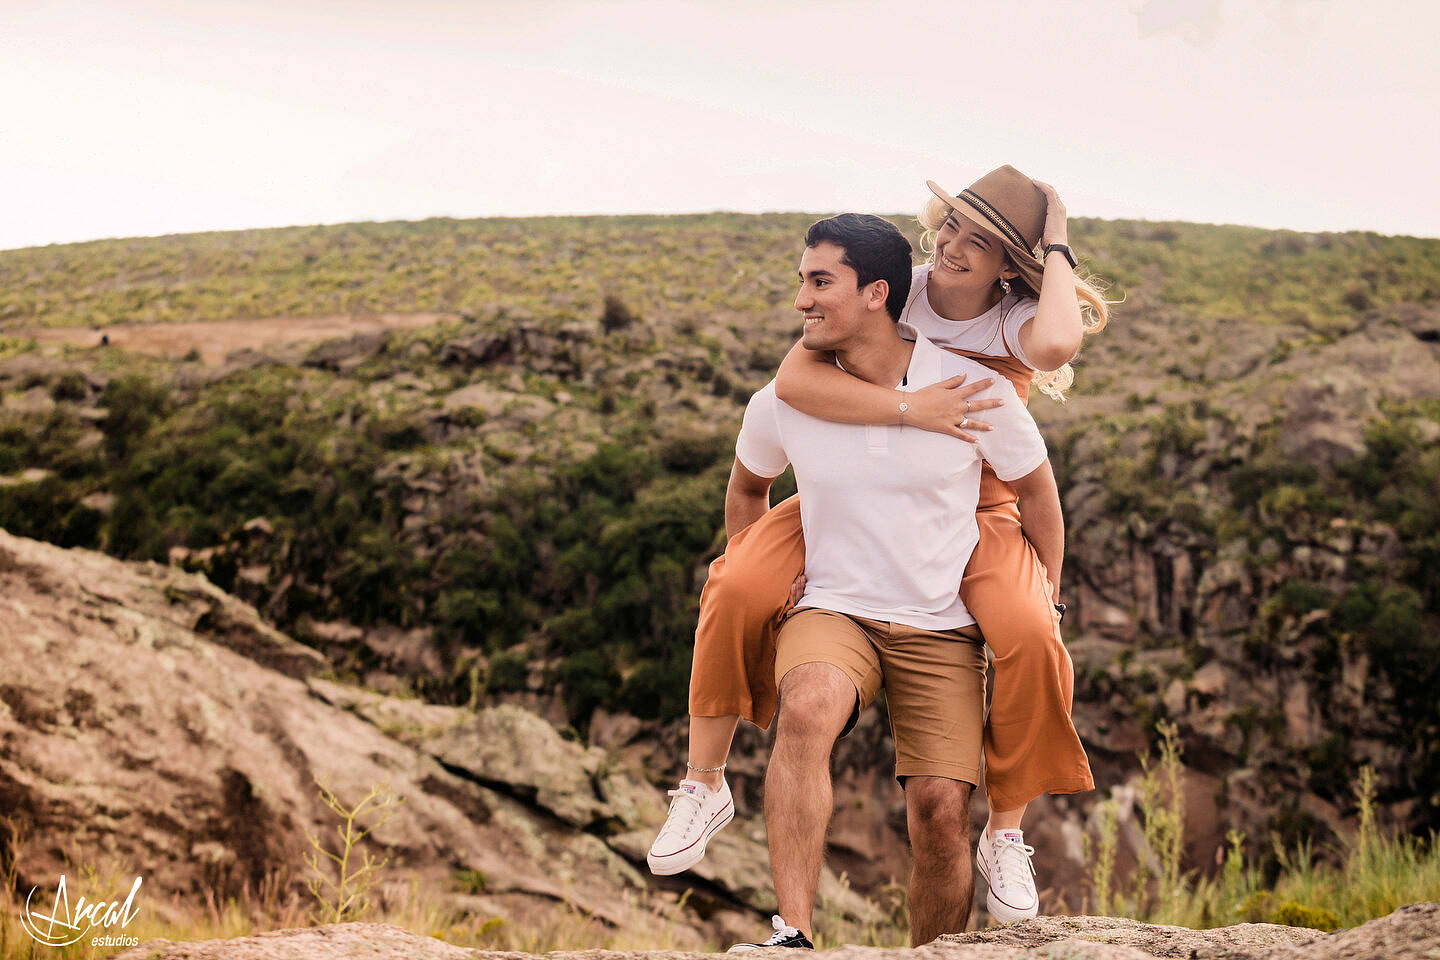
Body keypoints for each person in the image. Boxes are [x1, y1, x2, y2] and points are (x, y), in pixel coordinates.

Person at [647, 167, 1112, 925]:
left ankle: (1004, 831)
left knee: (1031, 633)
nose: (955, 247)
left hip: (974, 500)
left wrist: (1055, 241)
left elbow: (1056, 357)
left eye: (982, 240)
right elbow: (796, 376)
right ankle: (707, 788)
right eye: (952, 226)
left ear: (1011, 263)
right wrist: (905, 409)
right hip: (853, 489)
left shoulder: (1010, 324)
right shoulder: (904, 287)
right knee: (735, 582)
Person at [713, 213, 1061, 949]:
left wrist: (1046, 594)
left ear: (876, 294)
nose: (801, 300)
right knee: (806, 711)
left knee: (939, 810)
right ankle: (793, 935)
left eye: (818, 282)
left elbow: (1039, 497)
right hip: (834, 609)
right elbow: (748, 489)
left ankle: (934, 952)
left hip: (940, 621)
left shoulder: (975, 390)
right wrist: (764, 575)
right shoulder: (788, 395)